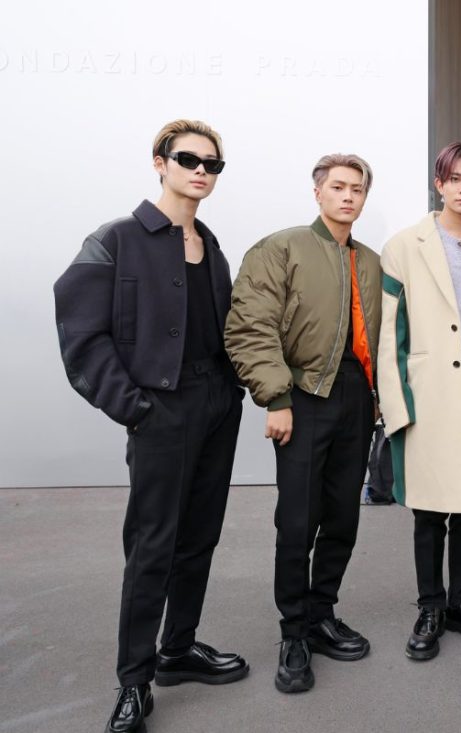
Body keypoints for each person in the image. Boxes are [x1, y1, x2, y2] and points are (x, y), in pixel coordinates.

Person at [54, 119, 247, 733]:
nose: (201, 171)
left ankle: (178, 649)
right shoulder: (117, 239)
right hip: (162, 409)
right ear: (160, 162)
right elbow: (82, 335)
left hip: (216, 406)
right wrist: (134, 407)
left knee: (200, 535)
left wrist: (233, 393)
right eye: (189, 159)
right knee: (152, 545)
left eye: (212, 164)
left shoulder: (211, 245)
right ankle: (134, 681)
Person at [225, 153, 381, 693]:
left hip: (356, 398)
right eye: (338, 187)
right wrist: (276, 397)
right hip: (303, 397)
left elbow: (382, 336)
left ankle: (321, 615)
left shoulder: (371, 262)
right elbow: (250, 326)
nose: (347, 196)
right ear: (318, 192)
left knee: (343, 516)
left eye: (357, 189)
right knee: (297, 521)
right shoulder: (282, 248)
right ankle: (293, 632)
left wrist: (382, 398)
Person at [377, 142, 461, 663]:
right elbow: (390, 335)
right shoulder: (404, 245)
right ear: (439, 184)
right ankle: (430, 606)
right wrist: (396, 407)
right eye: (454, 178)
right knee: (431, 507)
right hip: (431, 386)